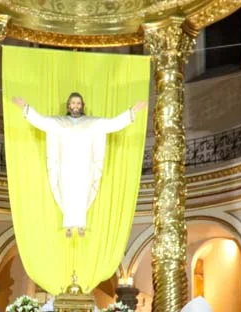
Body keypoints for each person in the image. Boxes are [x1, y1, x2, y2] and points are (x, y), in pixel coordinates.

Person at [12, 93, 147, 236]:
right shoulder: (59, 122)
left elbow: (113, 124)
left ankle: (81, 224)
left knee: (82, 192)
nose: (75, 106)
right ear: (68, 106)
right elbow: (41, 121)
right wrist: (25, 107)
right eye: (73, 103)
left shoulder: (92, 123)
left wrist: (133, 111)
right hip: (66, 164)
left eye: (78, 103)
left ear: (82, 106)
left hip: (84, 165)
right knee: (67, 192)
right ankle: (68, 225)